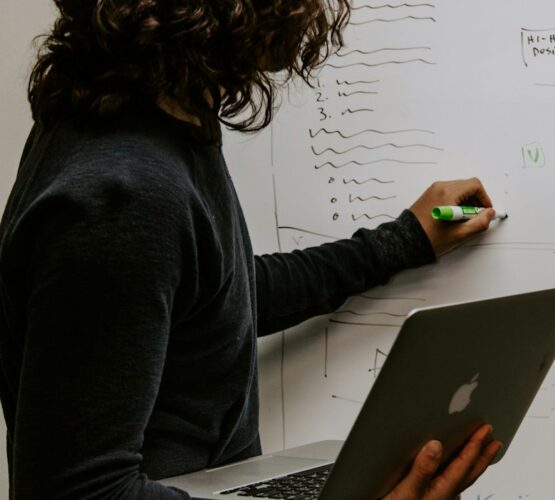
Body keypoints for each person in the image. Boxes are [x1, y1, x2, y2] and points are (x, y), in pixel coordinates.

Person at [0, 0, 503, 498]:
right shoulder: (123, 193)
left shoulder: (142, 116)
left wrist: (400, 243)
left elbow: (213, 301)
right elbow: (80, 492)